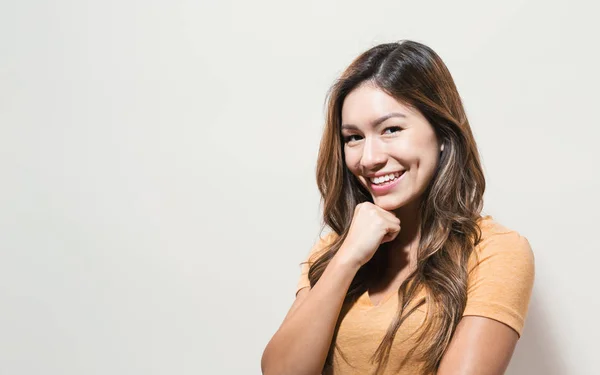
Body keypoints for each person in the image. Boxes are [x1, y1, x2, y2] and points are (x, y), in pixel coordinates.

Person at [261, 40, 535, 375]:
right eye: (353, 137)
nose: (369, 158)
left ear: (443, 136)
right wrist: (348, 257)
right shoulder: (335, 250)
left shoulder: (495, 251)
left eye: (391, 130)